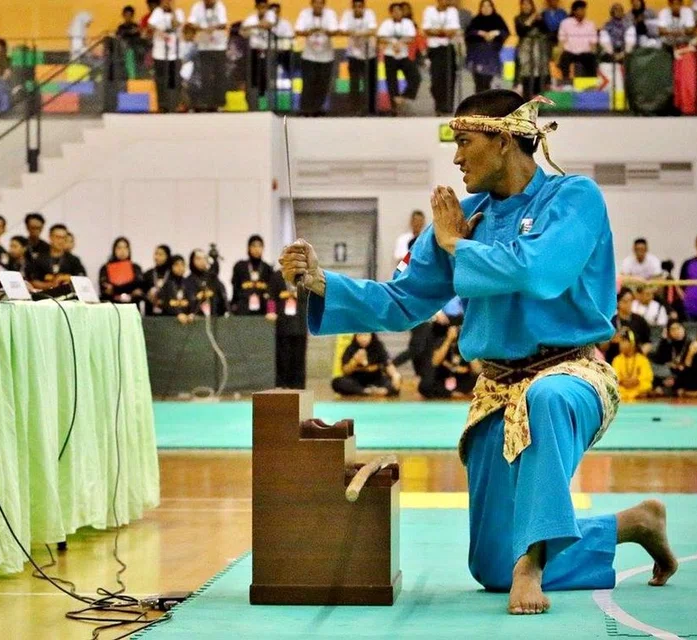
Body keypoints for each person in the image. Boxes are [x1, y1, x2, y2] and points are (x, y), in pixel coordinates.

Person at [279, 90, 677, 615]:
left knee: (547, 399)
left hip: (574, 374)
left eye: (465, 142)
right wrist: (323, 283)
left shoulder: (574, 198)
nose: (457, 157)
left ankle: (533, 563)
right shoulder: (463, 218)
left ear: (505, 139)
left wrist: (454, 246)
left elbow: (540, 270)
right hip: (494, 390)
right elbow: (402, 303)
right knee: (490, 566)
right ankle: (632, 524)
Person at [296, 0, 340, 116]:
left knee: (322, 84)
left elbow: (335, 31)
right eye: (316, 3)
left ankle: (317, 109)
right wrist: (311, 31)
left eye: (321, 3)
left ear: (324, 4)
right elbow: (298, 30)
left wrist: (323, 30)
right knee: (308, 83)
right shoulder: (305, 14)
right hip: (309, 55)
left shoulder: (330, 14)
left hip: (326, 56)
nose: (318, 5)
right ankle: (305, 109)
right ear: (312, 4)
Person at [378, 3, 421, 112]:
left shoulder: (408, 23)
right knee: (391, 81)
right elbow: (381, 37)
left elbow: (411, 38)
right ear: (391, 13)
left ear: (402, 12)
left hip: (403, 56)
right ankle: (394, 107)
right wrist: (393, 43)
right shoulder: (386, 24)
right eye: (394, 11)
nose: (397, 13)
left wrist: (399, 43)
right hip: (390, 55)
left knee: (415, 77)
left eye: (399, 11)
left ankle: (405, 96)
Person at [270, 270, 309, 388]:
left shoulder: (305, 277)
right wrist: (271, 311)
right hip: (283, 324)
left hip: (300, 323)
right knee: (282, 357)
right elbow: (271, 296)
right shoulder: (277, 276)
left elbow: (312, 297)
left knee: (299, 358)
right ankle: (281, 385)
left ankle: (299, 386)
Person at [187, 0, 229, 112]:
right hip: (204, 46)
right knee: (205, 76)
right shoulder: (197, 6)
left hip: (219, 46)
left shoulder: (220, 6)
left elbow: (224, 24)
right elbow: (191, 23)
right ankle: (206, 102)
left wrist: (213, 28)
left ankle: (220, 103)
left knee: (220, 75)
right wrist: (202, 28)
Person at [421, 319, 480, 398]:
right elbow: (435, 362)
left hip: (464, 380)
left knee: (480, 382)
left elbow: (477, 370)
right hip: (445, 378)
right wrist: (448, 340)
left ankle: (457, 393)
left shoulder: (468, 344)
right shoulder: (442, 341)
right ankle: (453, 393)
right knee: (425, 385)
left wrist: (467, 343)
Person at [332, 332, 402, 397]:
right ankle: (366, 391)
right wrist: (354, 361)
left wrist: (395, 375)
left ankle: (382, 391)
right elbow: (345, 371)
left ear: (371, 335)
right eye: (360, 335)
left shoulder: (378, 347)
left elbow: (387, 364)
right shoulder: (351, 348)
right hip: (356, 381)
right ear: (355, 336)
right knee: (337, 382)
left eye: (365, 335)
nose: (363, 338)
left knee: (395, 382)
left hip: (376, 379)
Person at [422, 0, 461, 115]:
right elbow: (427, 30)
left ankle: (448, 106)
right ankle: (438, 105)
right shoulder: (429, 11)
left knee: (449, 77)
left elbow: (453, 31)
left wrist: (437, 31)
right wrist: (444, 32)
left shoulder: (452, 11)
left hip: (448, 48)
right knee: (436, 78)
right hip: (434, 48)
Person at [341, 0, 379, 116]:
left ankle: (371, 109)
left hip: (369, 53)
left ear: (363, 7)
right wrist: (358, 33)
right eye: (356, 7)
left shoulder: (370, 14)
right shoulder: (347, 15)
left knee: (370, 83)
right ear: (353, 7)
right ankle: (354, 109)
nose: (358, 9)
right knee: (354, 84)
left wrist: (357, 33)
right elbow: (342, 30)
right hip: (354, 54)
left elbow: (373, 30)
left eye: (360, 6)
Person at [148, 0, 185, 113]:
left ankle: (174, 103)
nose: (167, 3)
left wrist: (172, 10)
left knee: (174, 79)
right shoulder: (157, 12)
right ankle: (162, 104)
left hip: (175, 52)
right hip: (160, 52)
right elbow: (150, 25)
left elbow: (176, 24)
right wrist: (160, 32)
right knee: (161, 79)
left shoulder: (178, 12)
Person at [465, 0, 509, 93]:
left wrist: (495, 33)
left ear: (492, 8)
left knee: (488, 82)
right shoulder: (476, 20)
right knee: (479, 83)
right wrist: (479, 33)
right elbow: (468, 33)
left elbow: (505, 32)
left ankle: (487, 105)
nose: (486, 8)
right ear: (480, 8)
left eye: (488, 6)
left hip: (491, 56)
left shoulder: (498, 19)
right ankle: (478, 105)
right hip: (477, 56)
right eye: (483, 6)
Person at [29, 224, 86, 290]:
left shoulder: (73, 260)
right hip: (44, 296)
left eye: (64, 238)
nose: (61, 241)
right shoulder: (39, 259)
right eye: (58, 237)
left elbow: (82, 279)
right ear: (50, 237)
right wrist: (51, 285)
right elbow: (33, 281)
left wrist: (65, 278)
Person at [603, 288, 652, 361]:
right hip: (615, 361)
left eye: (631, 301)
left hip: (635, 362)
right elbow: (602, 347)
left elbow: (648, 342)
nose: (629, 304)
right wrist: (611, 340)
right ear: (618, 303)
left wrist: (641, 352)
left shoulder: (639, 320)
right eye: (625, 301)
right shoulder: (611, 321)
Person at [230, 235, 275, 315]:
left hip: (263, 310)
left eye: (259, 246)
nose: (256, 249)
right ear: (248, 248)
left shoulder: (267, 268)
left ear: (263, 248)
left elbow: (271, 293)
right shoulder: (240, 266)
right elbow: (235, 289)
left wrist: (271, 310)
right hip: (243, 309)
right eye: (254, 246)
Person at [242, 0, 272, 110]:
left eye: (265, 7)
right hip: (253, 52)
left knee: (265, 79)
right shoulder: (251, 20)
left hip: (267, 52)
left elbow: (272, 26)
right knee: (253, 79)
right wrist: (256, 26)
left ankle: (264, 105)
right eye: (260, 7)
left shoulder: (271, 17)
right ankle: (253, 105)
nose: (262, 10)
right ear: (257, 7)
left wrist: (266, 25)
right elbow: (243, 32)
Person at [515, 0, 549, 99]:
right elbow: (521, 32)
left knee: (539, 74)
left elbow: (546, 31)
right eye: (524, 4)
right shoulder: (518, 18)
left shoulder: (539, 19)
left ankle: (539, 104)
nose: (526, 6)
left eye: (528, 4)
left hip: (538, 50)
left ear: (532, 6)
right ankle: (526, 100)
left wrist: (540, 20)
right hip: (525, 50)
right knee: (526, 74)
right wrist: (531, 19)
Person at [557, 0, 598, 79]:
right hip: (570, 53)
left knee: (592, 59)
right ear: (574, 11)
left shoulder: (590, 24)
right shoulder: (565, 23)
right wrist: (558, 56)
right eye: (580, 9)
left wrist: (594, 54)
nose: (583, 12)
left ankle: (591, 85)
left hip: (585, 53)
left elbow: (593, 43)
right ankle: (566, 84)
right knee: (563, 59)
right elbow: (561, 41)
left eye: (584, 9)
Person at [184, 248, 228, 317]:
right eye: (198, 258)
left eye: (204, 258)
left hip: (214, 319)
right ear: (192, 261)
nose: (202, 261)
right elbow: (188, 302)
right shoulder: (188, 281)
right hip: (195, 320)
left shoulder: (213, 279)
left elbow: (222, 299)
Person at [612, 329, 654, 401]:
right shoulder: (617, 360)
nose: (620, 344)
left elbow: (647, 380)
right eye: (620, 342)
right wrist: (622, 382)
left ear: (632, 343)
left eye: (624, 341)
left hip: (639, 394)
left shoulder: (642, 360)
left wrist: (637, 381)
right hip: (622, 393)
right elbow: (614, 379)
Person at [99, 237, 145, 303]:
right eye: (119, 248)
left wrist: (115, 289)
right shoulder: (105, 268)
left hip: (132, 306)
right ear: (114, 250)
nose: (122, 251)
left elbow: (139, 285)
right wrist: (129, 288)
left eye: (125, 248)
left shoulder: (135, 267)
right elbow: (105, 289)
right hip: (113, 305)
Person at [651, 321, 691, 395]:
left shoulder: (690, 344)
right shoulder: (668, 344)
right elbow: (658, 360)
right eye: (672, 329)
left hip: (683, 374)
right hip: (668, 374)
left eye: (678, 328)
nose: (676, 331)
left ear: (683, 329)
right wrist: (663, 339)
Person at [160, 254, 193, 322]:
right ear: (171, 267)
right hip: (170, 320)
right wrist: (178, 313)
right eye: (176, 265)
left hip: (187, 320)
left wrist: (191, 314)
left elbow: (192, 301)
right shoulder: (167, 285)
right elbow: (166, 304)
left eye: (182, 264)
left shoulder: (188, 283)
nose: (180, 267)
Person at [143, 244, 173, 316]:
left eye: (161, 254)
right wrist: (148, 296)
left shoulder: (172, 274)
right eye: (156, 254)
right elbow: (142, 292)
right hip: (150, 313)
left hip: (169, 314)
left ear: (167, 256)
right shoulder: (148, 274)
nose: (157, 257)